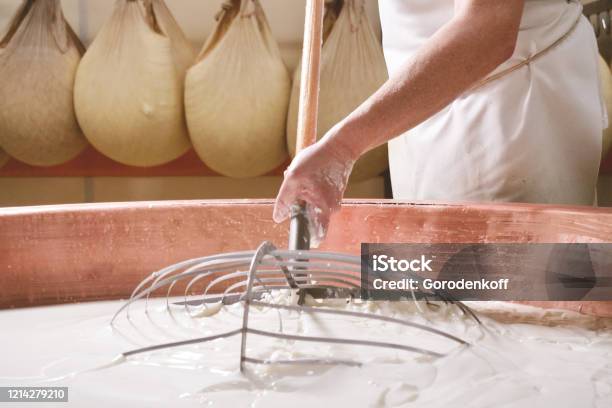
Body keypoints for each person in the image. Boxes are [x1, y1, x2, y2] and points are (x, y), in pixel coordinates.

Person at [274, 0, 612, 317]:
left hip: (507, 125)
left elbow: (487, 31)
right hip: (424, 117)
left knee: (519, 324)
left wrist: (341, 148)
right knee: (435, 320)